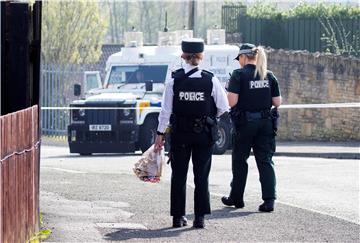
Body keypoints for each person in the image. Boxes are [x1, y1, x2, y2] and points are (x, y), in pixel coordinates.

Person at [154, 38, 229, 228]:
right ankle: (200, 218)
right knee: (201, 176)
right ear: (201, 57)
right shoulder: (210, 79)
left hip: (180, 135)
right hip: (203, 134)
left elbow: (165, 112)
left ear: (183, 56)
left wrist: (159, 134)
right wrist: (207, 116)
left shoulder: (174, 81)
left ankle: (178, 218)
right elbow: (223, 107)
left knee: (179, 175)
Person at [222, 43, 282, 212]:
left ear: (243, 57)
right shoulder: (268, 75)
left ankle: (237, 198)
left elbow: (232, 102)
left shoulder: (238, 75)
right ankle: (269, 200)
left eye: (239, 59)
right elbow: (277, 102)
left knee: (240, 160)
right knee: (265, 160)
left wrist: (230, 91)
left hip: (245, 124)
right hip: (265, 124)